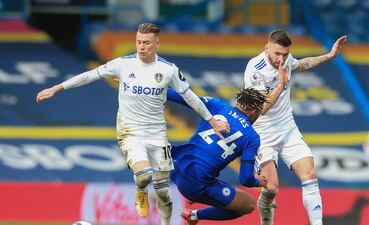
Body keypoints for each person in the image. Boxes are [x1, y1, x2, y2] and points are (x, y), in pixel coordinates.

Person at [36, 23, 229, 225]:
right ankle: (140, 191)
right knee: (144, 175)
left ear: (157, 44)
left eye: (146, 42)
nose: (141, 47)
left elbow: (190, 97)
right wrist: (57, 88)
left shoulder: (168, 69)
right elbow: (89, 76)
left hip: (157, 134)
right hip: (130, 131)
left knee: (163, 190)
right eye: (138, 42)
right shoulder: (123, 64)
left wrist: (212, 120)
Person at [244, 29, 347, 225]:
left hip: (287, 127)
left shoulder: (286, 58)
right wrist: (281, 85)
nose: (281, 59)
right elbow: (261, 110)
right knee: (271, 187)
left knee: (310, 173)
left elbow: (301, 64)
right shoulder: (255, 70)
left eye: (285, 54)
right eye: (277, 54)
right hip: (261, 132)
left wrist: (329, 56)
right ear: (267, 47)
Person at [166, 63, 288, 225]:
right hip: (195, 183)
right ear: (253, 111)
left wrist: (153, 90)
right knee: (248, 205)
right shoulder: (252, 137)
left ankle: (195, 196)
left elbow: (182, 98)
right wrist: (260, 181)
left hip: (175, 166)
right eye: (260, 111)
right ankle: (194, 215)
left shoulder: (218, 105)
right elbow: (245, 179)